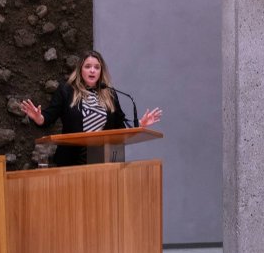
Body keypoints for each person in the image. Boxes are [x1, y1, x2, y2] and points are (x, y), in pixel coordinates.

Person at [20, 50, 163, 166]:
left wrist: (140, 124)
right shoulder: (66, 91)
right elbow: (48, 117)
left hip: (103, 160)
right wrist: (39, 117)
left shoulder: (109, 93)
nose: (92, 70)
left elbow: (120, 125)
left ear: (101, 71)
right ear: (80, 70)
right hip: (72, 161)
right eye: (88, 66)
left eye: (97, 67)